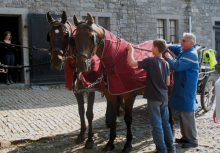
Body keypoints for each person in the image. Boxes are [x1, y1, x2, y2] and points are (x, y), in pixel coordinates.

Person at [127, 39, 176, 153]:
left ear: (156, 48)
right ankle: (171, 147)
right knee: (166, 124)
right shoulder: (166, 63)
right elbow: (168, 83)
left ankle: (161, 149)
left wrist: (131, 50)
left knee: (157, 125)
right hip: (164, 98)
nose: (151, 48)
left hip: (154, 98)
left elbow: (131, 63)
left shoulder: (150, 61)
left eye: (152, 46)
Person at [164, 33, 199, 148]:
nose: (181, 42)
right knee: (181, 113)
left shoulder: (191, 55)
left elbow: (177, 66)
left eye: (184, 41)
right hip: (182, 87)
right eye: (182, 40)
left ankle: (193, 140)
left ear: (191, 43)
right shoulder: (185, 50)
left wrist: (168, 58)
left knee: (187, 114)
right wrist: (168, 46)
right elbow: (177, 48)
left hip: (187, 89)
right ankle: (185, 137)